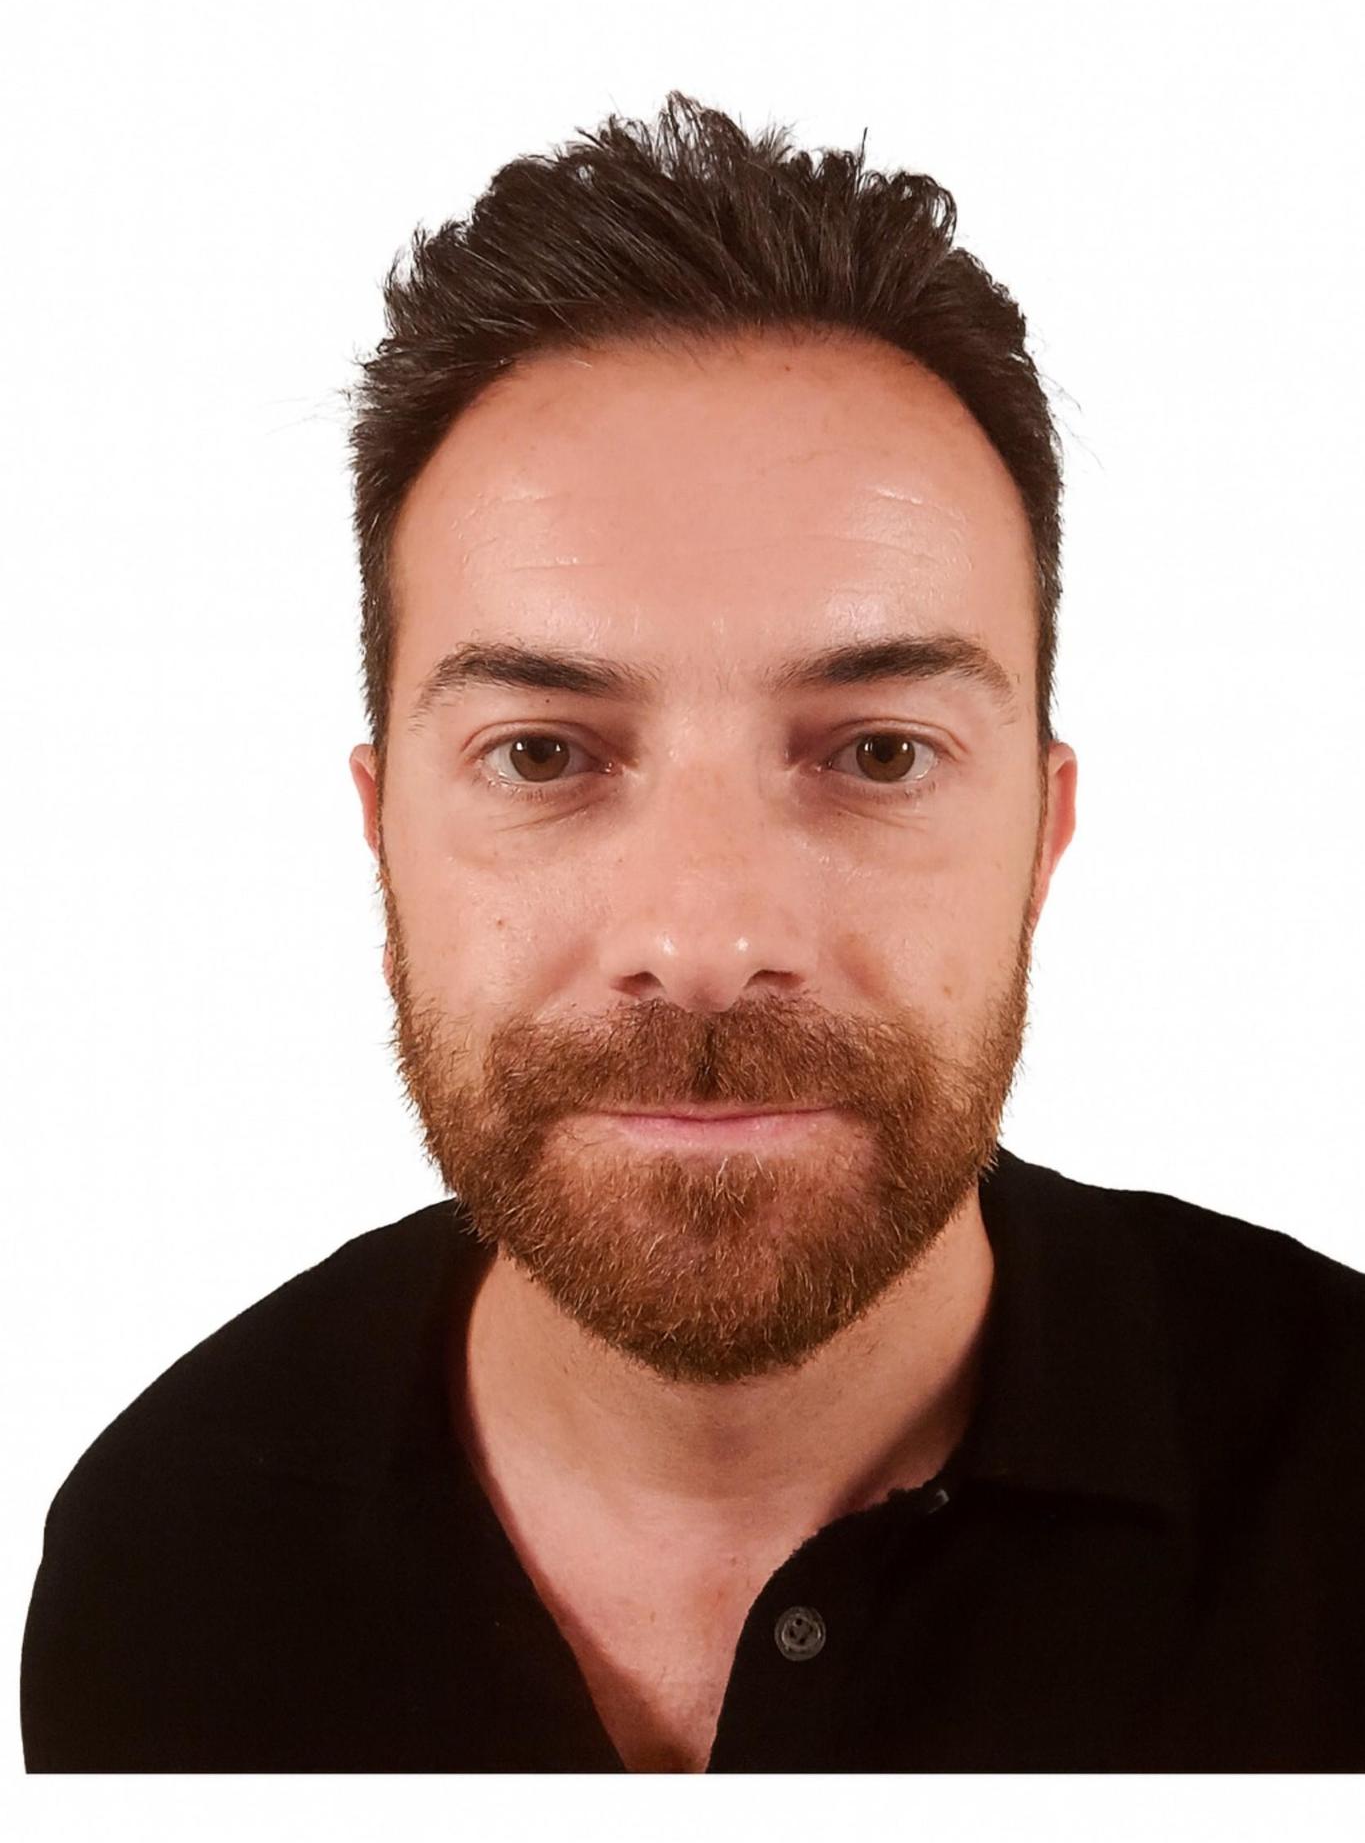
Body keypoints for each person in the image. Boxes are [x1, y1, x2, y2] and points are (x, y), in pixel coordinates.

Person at [21, 93, 1365, 1774]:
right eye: (541, 755)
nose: (706, 938)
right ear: (382, 835)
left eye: (879, 754)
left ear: (1043, 833)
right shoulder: (166, 1565)